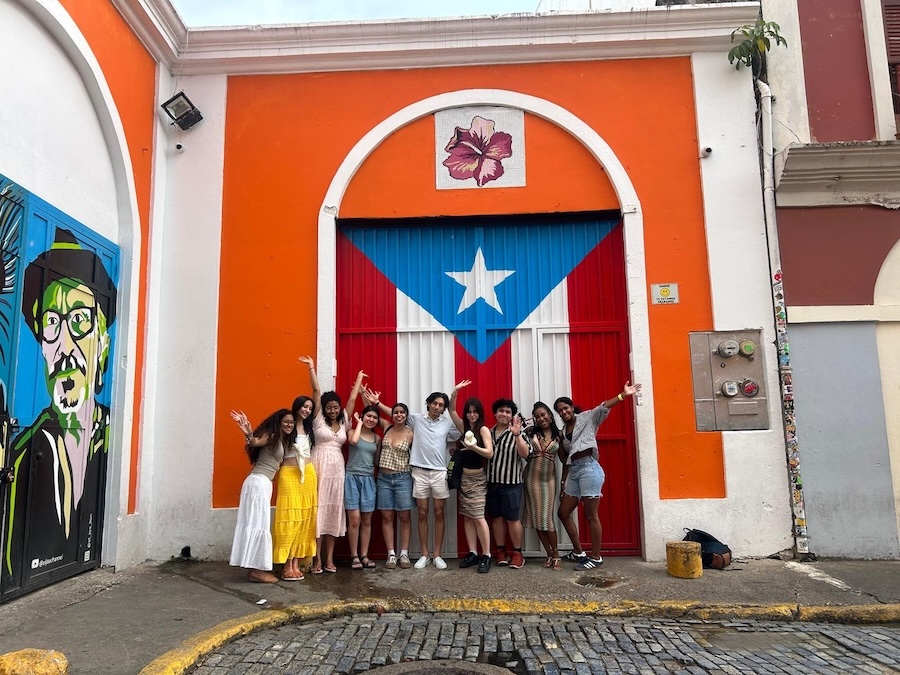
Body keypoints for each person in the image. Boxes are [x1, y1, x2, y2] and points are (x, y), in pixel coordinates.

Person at [3, 228, 117, 583]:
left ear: (103, 346)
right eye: (52, 323)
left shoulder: (112, 437)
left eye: (80, 321)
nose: (65, 344)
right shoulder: (23, 456)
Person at [555, 381, 641, 571]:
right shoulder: (562, 431)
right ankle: (578, 552)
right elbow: (564, 459)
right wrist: (563, 479)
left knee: (590, 514)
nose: (563, 412)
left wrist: (623, 394)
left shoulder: (587, 418)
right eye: (560, 411)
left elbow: (604, 406)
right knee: (563, 512)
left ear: (571, 407)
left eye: (565, 408)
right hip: (574, 471)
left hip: (589, 469)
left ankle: (596, 557)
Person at [376, 386, 462, 570]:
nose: (437, 407)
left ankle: (437, 555)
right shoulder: (416, 419)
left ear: (444, 408)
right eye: (435, 403)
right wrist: (376, 403)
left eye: (441, 405)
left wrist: (454, 399)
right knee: (422, 513)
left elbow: (462, 430)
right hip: (419, 472)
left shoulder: (447, 423)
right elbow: (395, 413)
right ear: (429, 404)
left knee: (439, 513)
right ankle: (424, 554)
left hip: (439, 472)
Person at [299, 355, 364, 574]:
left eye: (336, 407)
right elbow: (316, 392)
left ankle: (329, 559)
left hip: (337, 468)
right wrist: (311, 368)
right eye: (330, 408)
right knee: (318, 512)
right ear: (324, 408)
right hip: (318, 465)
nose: (333, 410)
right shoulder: (316, 418)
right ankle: (316, 560)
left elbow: (353, 400)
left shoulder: (344, 419)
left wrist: (358, 380)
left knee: (333, 513)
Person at [228, 408, 294, 583]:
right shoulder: (272, 435)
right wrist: (248, 432)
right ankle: (256, 570)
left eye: (291, 422)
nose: (289, 424)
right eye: (286, 421)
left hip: (261, 483)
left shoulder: (281, 440)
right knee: (259, 524)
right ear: (278, 422)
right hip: (258, 483)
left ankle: (253, 569)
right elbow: (255, 442)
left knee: (255, 523)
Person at [364, 391, 414, 570]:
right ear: (392, 415)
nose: (398, 415)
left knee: (404, 517)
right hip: (383, 479)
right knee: (387, 517)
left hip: (403, 478)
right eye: (396, 412)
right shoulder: (386, 426)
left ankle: (404, 553)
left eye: (402, 412)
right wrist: (368, 396)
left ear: (406, 416)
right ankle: (391, 554)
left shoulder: (411, 433)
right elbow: (369, 412)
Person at [449, 383, 494, 574]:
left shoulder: (483, 430)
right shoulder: (463, 426)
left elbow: (489, 453)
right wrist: (455, 392)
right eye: (469, 411)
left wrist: (473, 447)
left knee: (478, 517)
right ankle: (473, 552)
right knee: (467, 516)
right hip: (464, 479)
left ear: (480, 413)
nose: (471, 415)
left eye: (475, 412)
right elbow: (451, 410)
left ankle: (486, 555)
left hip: (477, 480)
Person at [273, 395, 318, 580]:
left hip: (307, 473)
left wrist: (311, 369)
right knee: (289, 517)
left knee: (304, 519)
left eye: (309, 407)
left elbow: (317, 391)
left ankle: (296, 562)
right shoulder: (287, 424)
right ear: (297, 406)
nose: (306, 410)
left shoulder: (309, 427)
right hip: (288, 473)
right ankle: (286, 562)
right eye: (304, 406)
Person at [486, 398, 529, 569]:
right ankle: (501, 551)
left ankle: (517, 553)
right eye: (501, 411)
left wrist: (518, 435)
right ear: (495, 413)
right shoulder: (488, 432)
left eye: (508, 411)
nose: (504, 414)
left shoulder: (519, 432)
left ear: (512, 415)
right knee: (496, 519)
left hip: (511, 484)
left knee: (512, 519)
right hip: (491, 483)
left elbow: (525, 454)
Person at [523, 401, 563, 570]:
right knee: (536, 518)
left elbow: (563, 458)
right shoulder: (531, 432)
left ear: (550, 415)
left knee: (547, 518)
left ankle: (556, 555)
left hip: (549, 480)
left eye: (543, 414)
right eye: (537, 416)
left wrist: (565, 480)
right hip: (531, 478)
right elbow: (521, 447)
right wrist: (524, 425)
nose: (541, 418)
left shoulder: (559, 435)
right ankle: (549, 553)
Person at [346, 406, 380, 569]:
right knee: (354, 520)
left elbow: (376, 461)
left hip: (368, 479)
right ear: (362, 416)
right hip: (351, 478)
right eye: (368, 416)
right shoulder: (352, 431)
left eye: (374, 417)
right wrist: (358, 423)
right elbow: (353, 441)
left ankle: (364, 555)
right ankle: (354, 556)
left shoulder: (377, 438)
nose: (371, 419)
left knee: (366, 520)